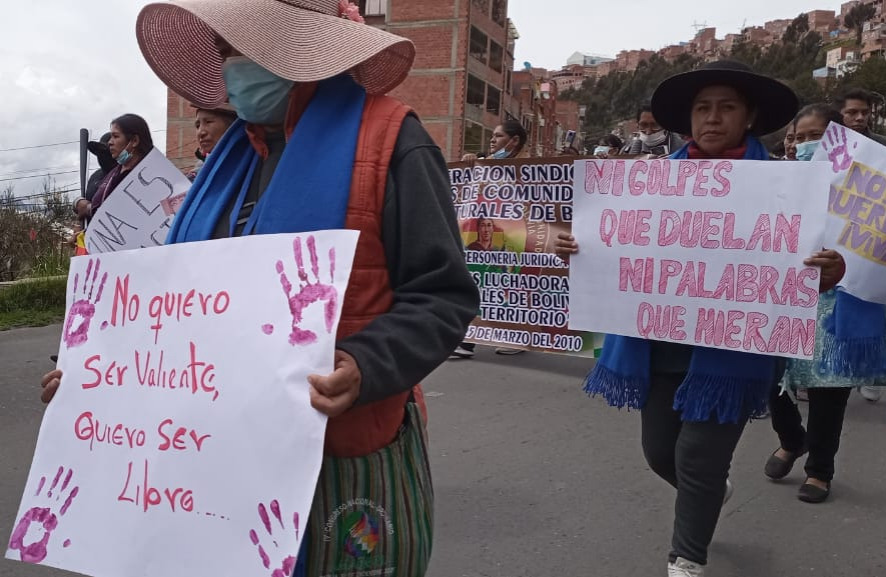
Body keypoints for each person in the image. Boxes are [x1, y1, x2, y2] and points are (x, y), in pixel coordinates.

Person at [40, 2, 479, 576]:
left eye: (233, 50)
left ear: (295, 46)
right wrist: (96, 374)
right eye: (219, 51)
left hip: (339, 452)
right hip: (214, 459)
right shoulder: (230, 161)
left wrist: (365, 364)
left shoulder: (394, 142)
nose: (224, 68)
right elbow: (175, 303)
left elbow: (443, 295)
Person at [556, 60, 845, 577]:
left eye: (726, 107)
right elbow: (611, 243)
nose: (712, 118)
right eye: (702, 108)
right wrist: (579, 247)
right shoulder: (643, 184)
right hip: (656, 347)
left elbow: (815, 263)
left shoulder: (789, 187)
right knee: (660, 454)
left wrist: (830, 270)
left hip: (732, 353)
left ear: (749, 117)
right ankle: (709, 490)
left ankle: (686, 558)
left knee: (697, 459)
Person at [765, 104, 885, 502]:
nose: (803, 145)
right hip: (782, 297)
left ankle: (819, 470)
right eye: (797, 137)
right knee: (770, 377)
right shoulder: (779, 181)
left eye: (815, 136)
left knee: (828, 387)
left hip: (837, 303)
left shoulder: (869, 185)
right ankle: (791, 439)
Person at [77, 114, 153, 220]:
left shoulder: (151, 175)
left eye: (116, 136)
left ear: (134, 140)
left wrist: (87, 208)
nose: (110, 142)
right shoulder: (112, 175)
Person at [188, 104, 238, 179]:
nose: (201, 132)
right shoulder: (196, 176)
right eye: (197, 126)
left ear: (232, 126)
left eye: (208, 122)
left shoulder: (250, 167)